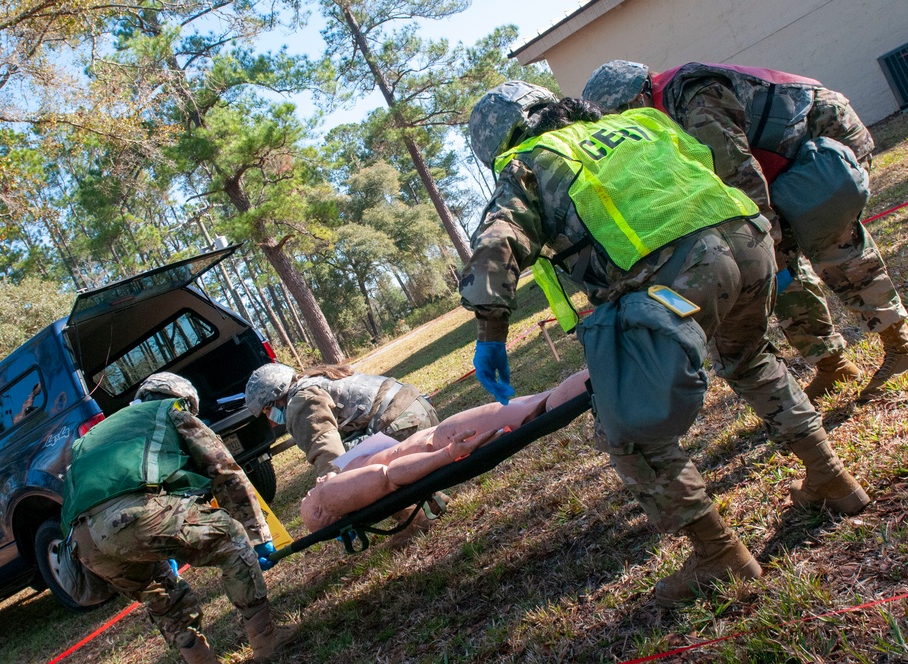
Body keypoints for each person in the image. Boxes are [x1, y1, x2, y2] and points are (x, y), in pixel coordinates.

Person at [460, 81, 870, 606]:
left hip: (678, 273)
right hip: (748, 242)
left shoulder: (530, 162)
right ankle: (832, 480)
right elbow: (705, 167)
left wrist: (491, 333)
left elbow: (497, 243)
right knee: (750, 360)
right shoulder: (634, 122)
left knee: (626, 428)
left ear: (498, 141)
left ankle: (718, 554)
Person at [581, 60, 908, 401]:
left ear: (637, 99)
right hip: (779, 168)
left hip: (821, 137)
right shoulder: (662, 116)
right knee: (777, 270)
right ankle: (832, 363)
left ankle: (900, 345)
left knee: (831, 243)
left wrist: (765, 238)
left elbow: (739, 174)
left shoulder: (692, 100)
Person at [60, 372, 297, 664]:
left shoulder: (90, 437)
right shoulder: (171, 411)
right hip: (133, 516)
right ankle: (266, 639)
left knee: (160, 592)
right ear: (183, 399)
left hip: (83, 543)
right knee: (232, 537)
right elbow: (225, 474)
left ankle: (200, 660)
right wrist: (256, 535)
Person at [300, 371, 590, 531]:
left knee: (536, 407)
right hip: (441, 442)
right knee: (541, 409)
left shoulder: (335, 486)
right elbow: (389, 476)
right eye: (310, 495)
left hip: (439, 440)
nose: (315, 484)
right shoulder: (332, 496)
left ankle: (611, 369)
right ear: (319, 510)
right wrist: (448, 454)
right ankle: (610, 369)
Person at [245, 362, 439, 477]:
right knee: (349, 447)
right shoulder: (314, 379)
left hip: (404, 424)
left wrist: (332, 496)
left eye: (267, 410)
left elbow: (328, 454)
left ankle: (415, 517)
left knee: (351, 467)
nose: (270, 418)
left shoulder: (301, 401)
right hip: (416, 410)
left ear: (276, 397)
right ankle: (432, 503)